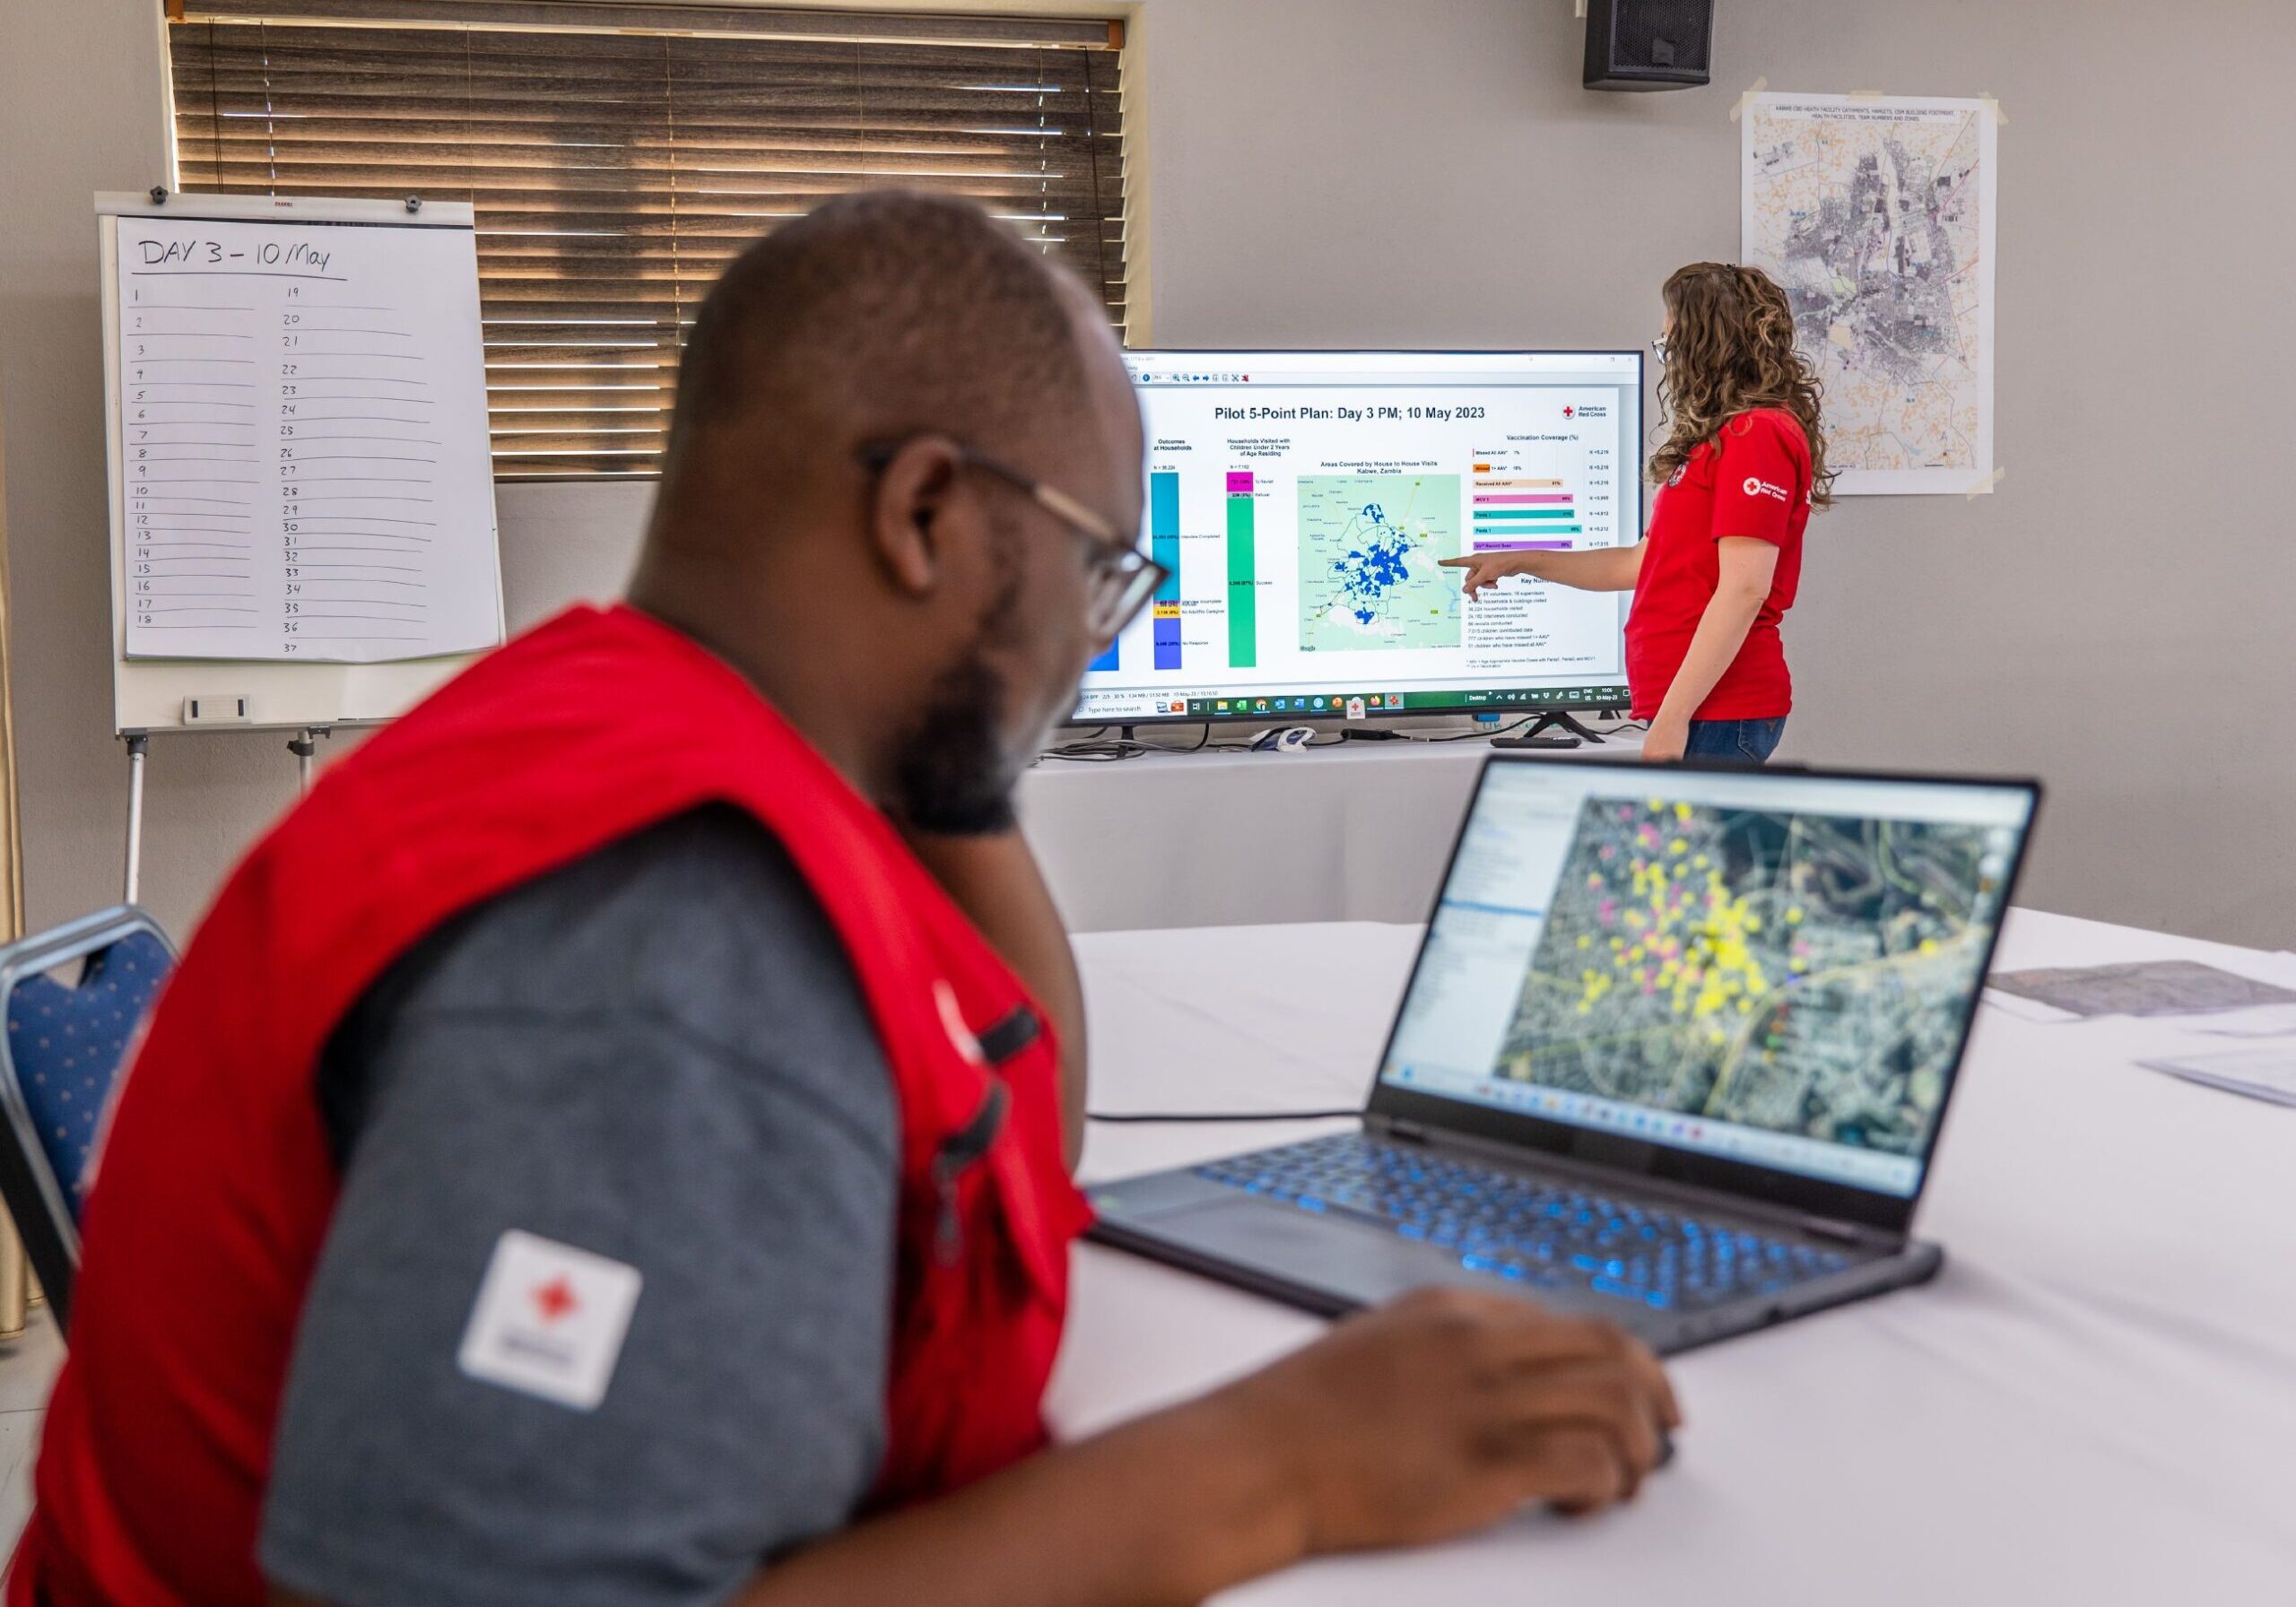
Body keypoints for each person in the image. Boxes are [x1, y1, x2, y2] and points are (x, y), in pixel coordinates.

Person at [11, 192, 1679, 1607]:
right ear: (926, 512)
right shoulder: (649, 953)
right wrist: (1280, 1470)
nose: (1102, 640)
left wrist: (961, 731)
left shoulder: (634, 712)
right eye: (1102, 567)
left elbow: (1018, 1120)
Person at [1443, 262, 1830, 764]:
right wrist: (1519, 560)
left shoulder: (1757, 435)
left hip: (1719, 712)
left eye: (1670, 343)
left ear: (1704, 346)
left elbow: (1744, 589)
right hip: (1698, 711)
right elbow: (1640, 562)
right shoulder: (1718, 442)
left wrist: (1673, 718)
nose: (1667, 359)